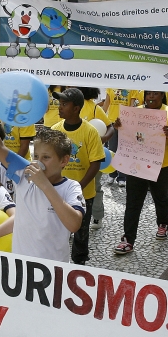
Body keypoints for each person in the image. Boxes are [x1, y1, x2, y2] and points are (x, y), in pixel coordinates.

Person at [0, 112, 85, 262]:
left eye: (46, 157)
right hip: (22, 267)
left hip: (53, 269)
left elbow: (74, 224)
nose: (38, 163)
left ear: (64, 160)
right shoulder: (23, 175)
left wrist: (44, 185)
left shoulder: (71, 187)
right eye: (36, 157)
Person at [112, 91, 168, 255]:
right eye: (148, 94)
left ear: (163, 96)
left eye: (155, 94)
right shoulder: (135, 113)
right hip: (137, 165)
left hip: (162, 166)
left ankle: (163, 223)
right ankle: (128, 240)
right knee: (132, 203)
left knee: (161, 197)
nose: (151, 97)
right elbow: (129, 135)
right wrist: (119, 126)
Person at [50, 88, 105, 265]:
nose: (60, 107)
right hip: (57, 192)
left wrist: (78, 186)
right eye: (60, 103)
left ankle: (79, 264)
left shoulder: (90, 132)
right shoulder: (55, 131)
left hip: (83, 194)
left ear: (76, 108)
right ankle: (56, 261)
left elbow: (96, 162)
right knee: (56, 228)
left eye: (64, 104)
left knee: (81, 231)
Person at [77, 87, 114, 230]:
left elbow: (109, 127)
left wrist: (103, 138)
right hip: (74, 156)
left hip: (94, 155)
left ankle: (97, 216)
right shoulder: (69, 105)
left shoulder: (94, 108)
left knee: (95, 186)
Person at [103, 87, 144, 187]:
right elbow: (106, 104)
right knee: (112, 149)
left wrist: (129, 121)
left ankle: (122, 176)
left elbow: (131, 105)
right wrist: (102, 117)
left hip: (125, 124)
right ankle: (112, 174)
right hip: (112, 122)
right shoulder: (110, 88)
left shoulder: (132, 88)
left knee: (123, 150)